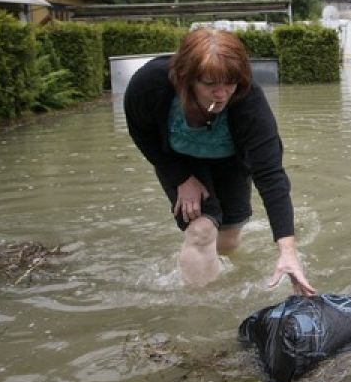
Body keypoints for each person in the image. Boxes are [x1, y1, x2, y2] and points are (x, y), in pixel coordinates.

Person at [123, 28, 316, 293]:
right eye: (210, 84)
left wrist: (288, 251)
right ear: (186, 78)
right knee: (201, 231)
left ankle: (214, 273)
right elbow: (140, 131)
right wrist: (180, 177)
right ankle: (200, 312)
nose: (222, 94)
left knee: (228, 239)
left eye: (230, 83)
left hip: (230, 162)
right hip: (180, 161)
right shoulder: (150, 84)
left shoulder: (250, 105)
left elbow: (270, 175)